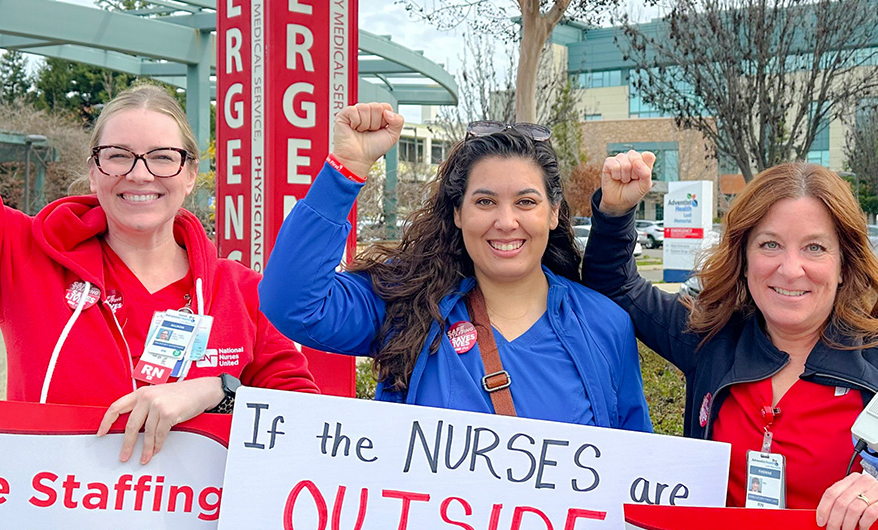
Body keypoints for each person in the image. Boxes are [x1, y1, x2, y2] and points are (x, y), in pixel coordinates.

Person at [0, 0, 318, 464]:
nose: (140, 174)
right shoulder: (25, 259)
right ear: (93, 171)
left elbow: (304, 425)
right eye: (118, 155)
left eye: (163, 157)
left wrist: (218, 391)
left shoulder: (242, 292)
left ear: (190, 175)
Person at [583, 155, 878, 530]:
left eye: (815, 248)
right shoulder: (712, 337)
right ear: (743, 258)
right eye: (770, 245)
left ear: (844, 264)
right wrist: (616, 211)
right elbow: (615, 285)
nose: (790, 268)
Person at [259, 103, 650, 431]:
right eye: (484, 202)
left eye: (526, 202)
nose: (506, 221)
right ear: (458, 214)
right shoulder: (405, 305)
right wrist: (345, 169)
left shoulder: (604, 325)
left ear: (553, 213)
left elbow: (635, 472)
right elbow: (292, 303)